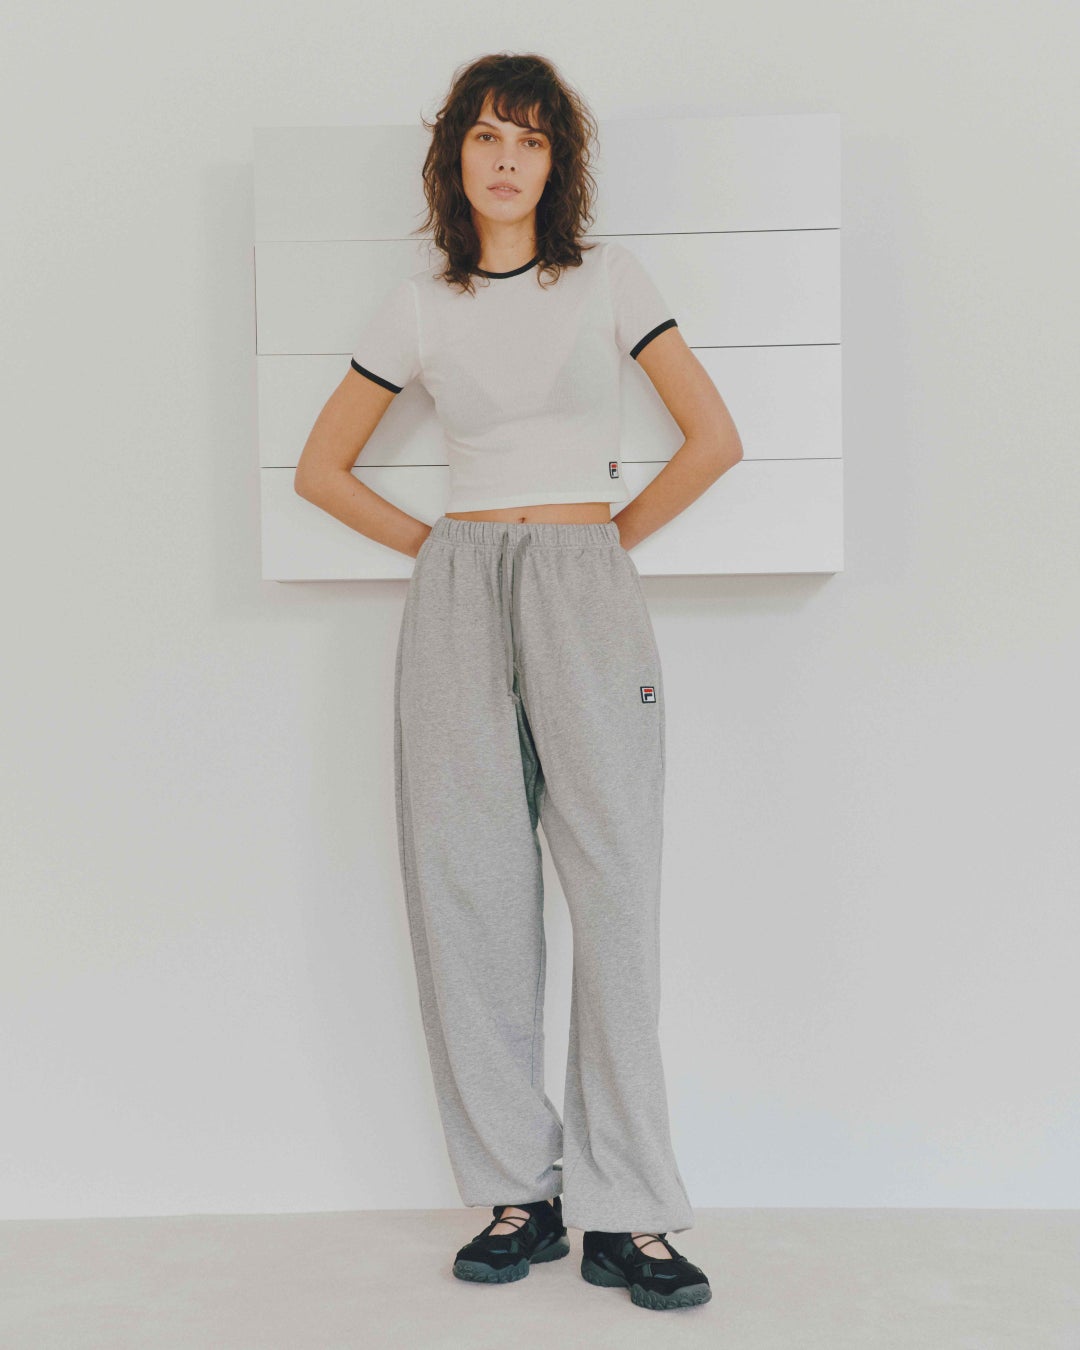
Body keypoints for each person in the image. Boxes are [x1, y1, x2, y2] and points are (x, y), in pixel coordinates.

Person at [295, 53, 742, 1313]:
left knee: (616, 892)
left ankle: (629, 1207)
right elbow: (322, 471)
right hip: (460, 593)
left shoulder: (608, 280)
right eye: (489, 135)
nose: (507, 159)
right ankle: (518, 1192)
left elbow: (715, 439)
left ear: (559, 163)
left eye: (532, 140)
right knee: (470, 893)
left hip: (583, 584)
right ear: (457, 156)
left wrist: (599, 547)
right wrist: (444, 553)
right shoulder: (419, 306)